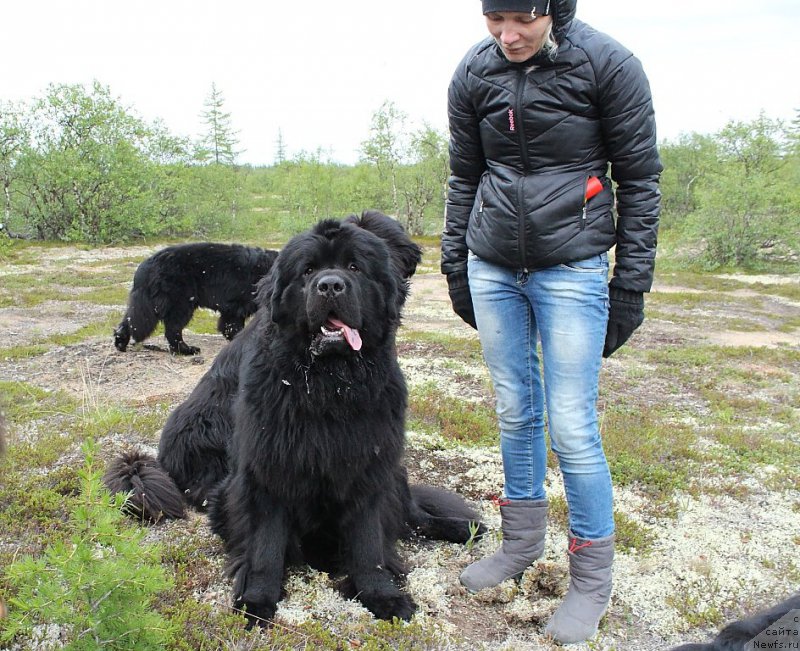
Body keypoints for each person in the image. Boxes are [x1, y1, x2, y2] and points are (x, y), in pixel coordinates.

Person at [442, 0, 661, 644]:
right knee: (515, 408)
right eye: (494, 19)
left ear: (553, 8)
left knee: (571, 425)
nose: (508, 36)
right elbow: (464, 175)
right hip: (492, 265)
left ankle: (591, 580)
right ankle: (521, 543)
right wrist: (456, 266)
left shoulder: (609, 64)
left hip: (573, 267)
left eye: (523, 19)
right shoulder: (473, 71)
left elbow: (640, 181)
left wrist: (630, 287)